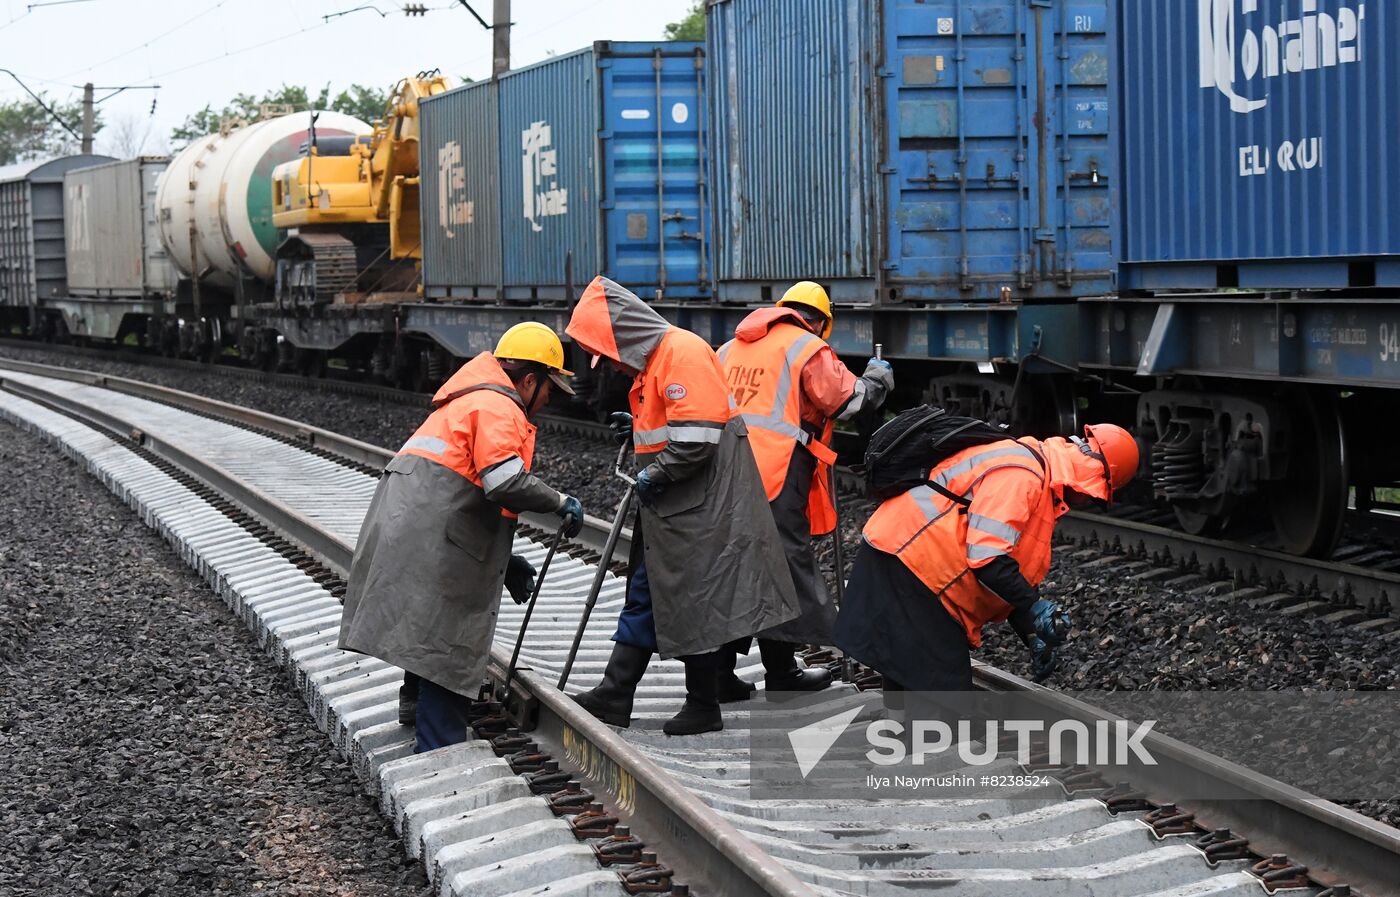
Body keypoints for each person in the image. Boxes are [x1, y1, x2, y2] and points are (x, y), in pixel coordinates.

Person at [565, 275, 800, 736]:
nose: (609, 365)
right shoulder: (656, 363)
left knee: (693, 598)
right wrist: (636, 427)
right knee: (650, 593)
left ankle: (701, 705)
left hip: (702, 504)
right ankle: (616, 693)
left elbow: (696, 438)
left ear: (623, 336)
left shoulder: (681, 352)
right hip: (679, 507)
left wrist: (655, 472)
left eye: (607, 353)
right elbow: (675, 422)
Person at [339, 323, 586, 753]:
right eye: (550, 389)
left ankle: (414, 707)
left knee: (428, 616)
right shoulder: (499, 407)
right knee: (447, 637)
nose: (549, 401)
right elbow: (504, 481)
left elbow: (472, 484)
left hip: (417, 520)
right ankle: (438, 749)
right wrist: (560, 500)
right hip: (433, 524)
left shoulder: (472, 399)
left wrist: (503, 562)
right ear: (529, 380)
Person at [834, 424, 1139, 693]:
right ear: (1092, 475)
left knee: (908, 677)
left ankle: (899, 743)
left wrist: (1030, 631)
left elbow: (1007, 568)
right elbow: (986, 558)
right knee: (942, 701)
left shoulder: (1036, 473)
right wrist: (1035, 606)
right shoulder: (1023, 476)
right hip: (912, 571)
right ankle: (915, 751)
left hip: (903, 563)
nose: (1090, 501)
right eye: (1096, 494)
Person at [716, 281, 893, 698]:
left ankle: (729, 675)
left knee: (735, 570)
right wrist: (878, 379)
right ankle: (789, 667)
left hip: (724, 477)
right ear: (821, 323)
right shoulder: (806, 347)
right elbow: (847, 401)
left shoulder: (729, 348)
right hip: (775, 474)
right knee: (782, 570)